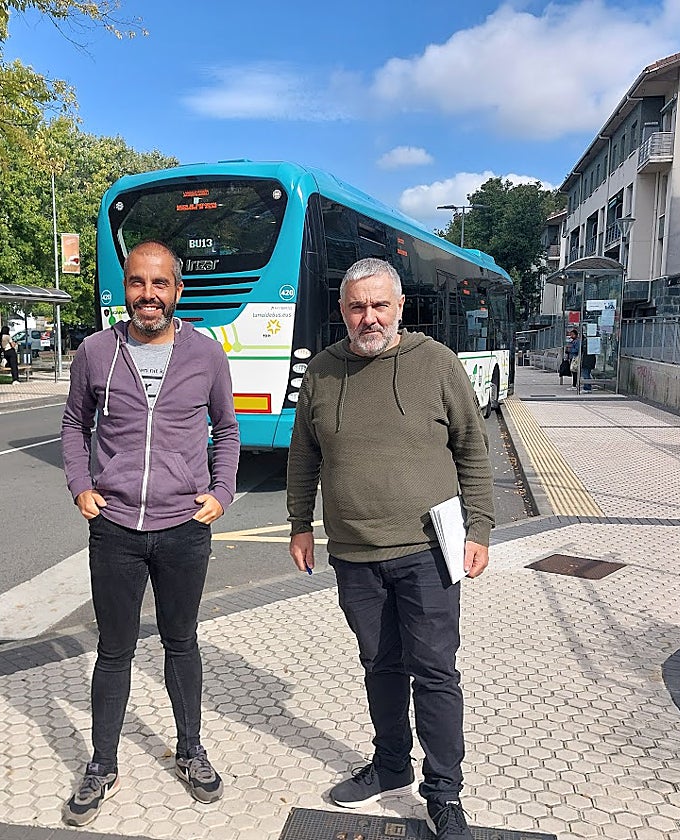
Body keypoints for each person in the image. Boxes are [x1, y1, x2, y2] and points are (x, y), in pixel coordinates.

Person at [287, 258, 495, 840]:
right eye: (357, 306)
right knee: (380, 665)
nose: (369, 317)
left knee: (433, 672)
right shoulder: (324, 372)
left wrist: (479, 528)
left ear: (400, 307)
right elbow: (304, 455)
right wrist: (299, 523)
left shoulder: (436, 363)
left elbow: (472, 451)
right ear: (343, 310)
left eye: (380, 305)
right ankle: (390, 762)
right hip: (354, 553)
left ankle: (444, 793)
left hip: (430, 551)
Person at [59, 240, 240, 827]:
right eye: (137, 283)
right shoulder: (94, 351)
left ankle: (190, 750)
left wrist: (220, 492)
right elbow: (72, 424)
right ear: (126, 290)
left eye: (159, 284)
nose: (148, 295)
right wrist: (80, 484)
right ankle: (102, 764)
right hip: (114, 528)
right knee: (114, 650)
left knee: (181, 643)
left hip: (184, 528)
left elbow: (228, 430)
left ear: (178, 291)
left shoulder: (206, 355)